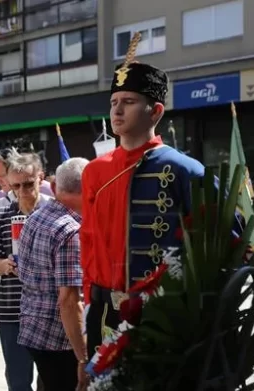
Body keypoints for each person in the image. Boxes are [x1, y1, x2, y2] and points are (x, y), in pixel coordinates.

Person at [81, 32, 207, 359]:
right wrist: (88, 305)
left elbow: (216, 246)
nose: (117, 111)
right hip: (105, 313)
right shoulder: (95, 172)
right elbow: (89, 243)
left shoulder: (185, 170)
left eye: (129, 101)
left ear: (156, 111)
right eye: (113, 102)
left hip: (164, 316)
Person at [18, 158, 89, 391]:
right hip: (60, 339)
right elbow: (69, 301)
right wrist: (83, 356)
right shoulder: (69, 230)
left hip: (35, 329)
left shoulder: (39, 214)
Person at [0, 153, 50, 391]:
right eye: (16, 186)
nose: (22, 192)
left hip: (49, 309)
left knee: (53, 379)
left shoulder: (55, 212)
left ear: (41, 179)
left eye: (28, 184)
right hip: (12, 309)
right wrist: (7, 265)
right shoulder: (0, 213)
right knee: (19, 383)